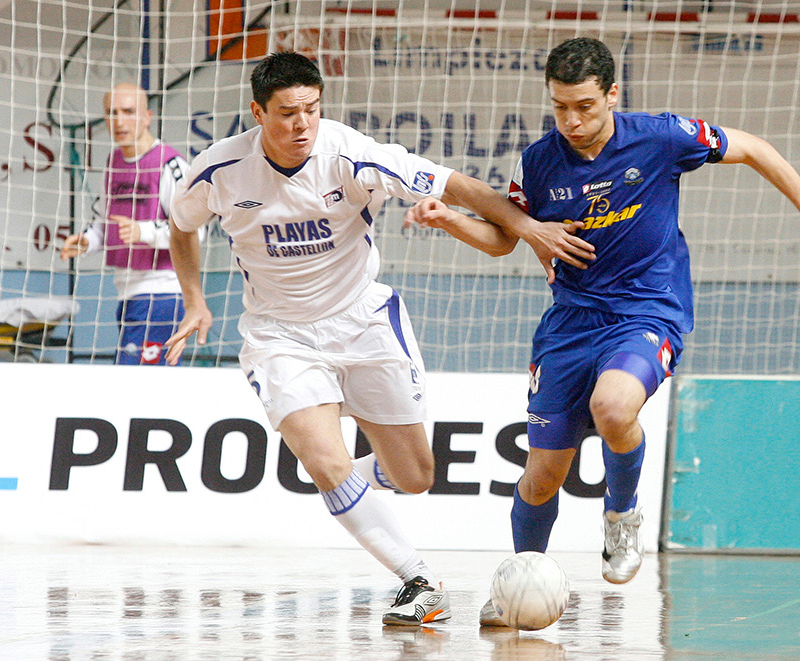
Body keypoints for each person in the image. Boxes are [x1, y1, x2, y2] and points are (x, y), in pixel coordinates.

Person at [402, 37, 800, 626]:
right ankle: (519, 580)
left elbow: (753, 148)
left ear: (613, 94)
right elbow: (504, 239)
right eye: (560, 106)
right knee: (541, 478)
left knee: (614, 407)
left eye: (585, 106)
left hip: (648, 310)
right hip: (569, 326)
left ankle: (621, 516)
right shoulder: (539, 162)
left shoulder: (660, 137)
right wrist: (449, 222)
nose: (572, 120)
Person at [162, 52, 591, 625]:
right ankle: (419, 579)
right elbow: (181, 225)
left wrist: (529, 227)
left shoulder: (353, 155)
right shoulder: (219, 170)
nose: (301, 125)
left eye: (311, 110)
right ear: (257, 113)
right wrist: (195, 299)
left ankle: (346, 486)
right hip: (279, 335)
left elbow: (461, 186)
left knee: (416, 476)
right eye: (287, 113)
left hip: (363, 321)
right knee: (324, 462)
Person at [61, 83, 196, 365]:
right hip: (128, 292)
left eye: (128, 112)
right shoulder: (113, 163)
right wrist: (88, 241)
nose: (119, 121)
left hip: (163, 292)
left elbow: (195, 230)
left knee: (139, 385)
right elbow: (103, 220)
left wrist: (142, 231)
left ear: (147, 117)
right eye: (111, 113)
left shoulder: (171, 164)